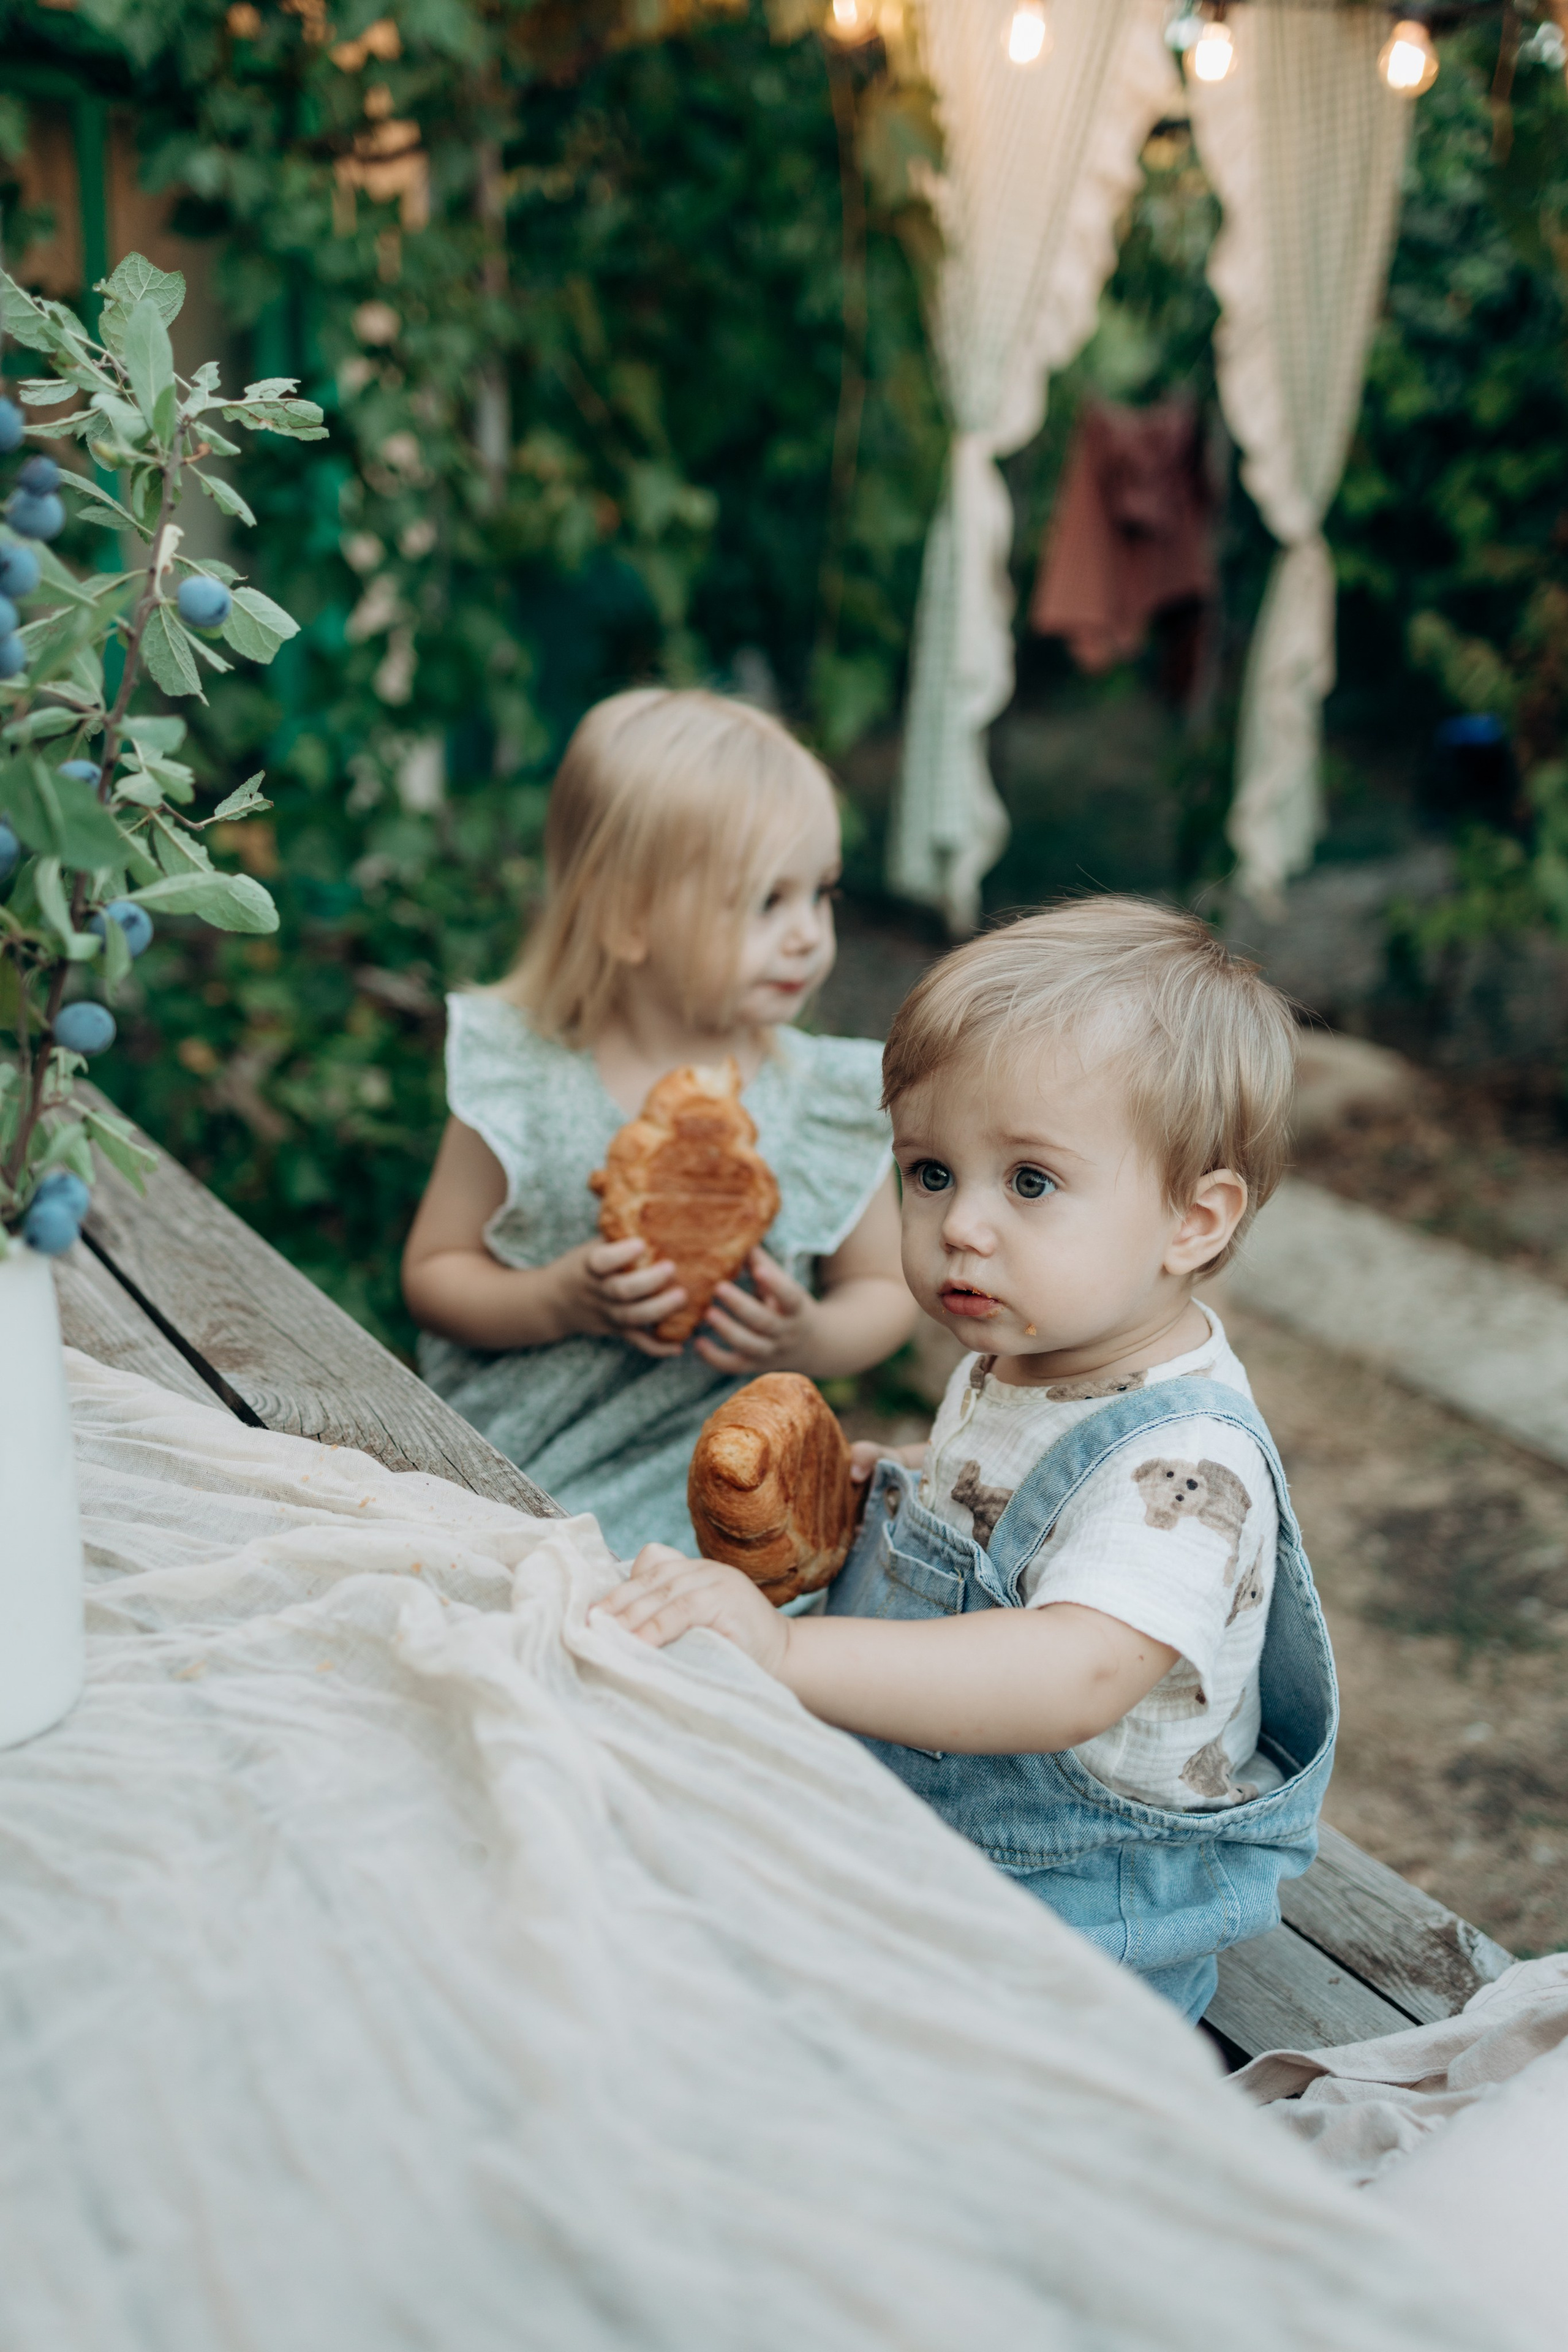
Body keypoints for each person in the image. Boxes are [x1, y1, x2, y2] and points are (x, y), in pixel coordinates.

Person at [598, 898, 1338, 2021]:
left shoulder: (1187, 1462)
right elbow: (1014, 1505)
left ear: (1195, 1220)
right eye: (931, 1172)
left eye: (1030, 1182)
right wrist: (898, 1484)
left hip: (1075, 1929)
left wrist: (787, 1656)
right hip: (932, 1849)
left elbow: (1069, 1673)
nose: (962, 1226)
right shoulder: (1036, 1350)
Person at [403, 687, 916, 1556]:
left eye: (820, 894)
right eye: (766, 903)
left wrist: (810, 1336)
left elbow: (886, 1290)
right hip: (509, 1462)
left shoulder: (820, 1096)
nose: (808, 936)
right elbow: (434, 1273)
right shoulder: (525, 1074)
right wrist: (556, 1298)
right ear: (629, 919)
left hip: (714, 1481)